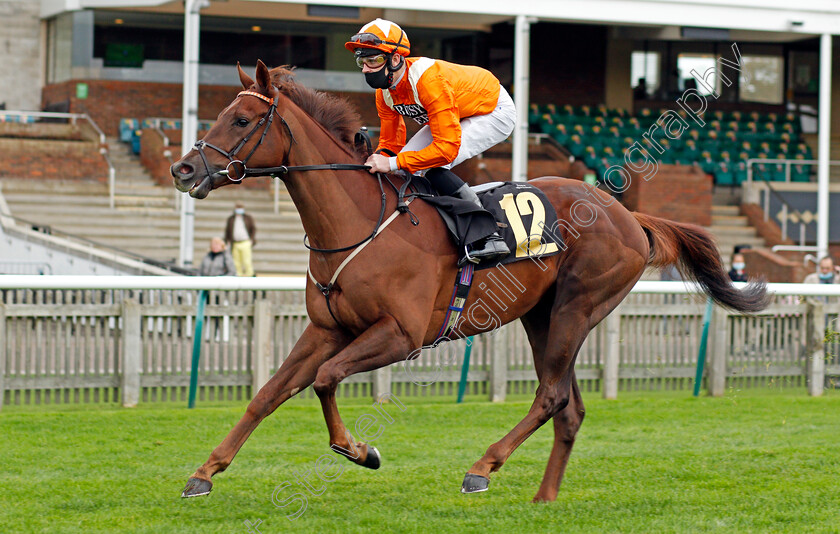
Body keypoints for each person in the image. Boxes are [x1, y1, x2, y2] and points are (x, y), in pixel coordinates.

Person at [345, 18, 514, 264]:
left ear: (395, 59)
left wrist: (392, 163)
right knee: (404, 169)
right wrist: (377, 161)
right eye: (362, 61)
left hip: (491, 110)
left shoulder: (428, 81)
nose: (366, 69)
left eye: (374, 60)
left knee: (433, 165)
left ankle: (488, 234)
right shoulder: (384, 94)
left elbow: (445, 149)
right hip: (459, 112)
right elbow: (391, 144)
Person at [224, 203, 256, 277]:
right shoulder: (231, 219)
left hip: (245, 242)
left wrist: (251, 240)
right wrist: (227, 241)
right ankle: (238, 277)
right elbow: (227, 231)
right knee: (236, 262)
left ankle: (250, 276)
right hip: (235, 243)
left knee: (247, 261)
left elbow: (253, 229)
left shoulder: (247, 218)